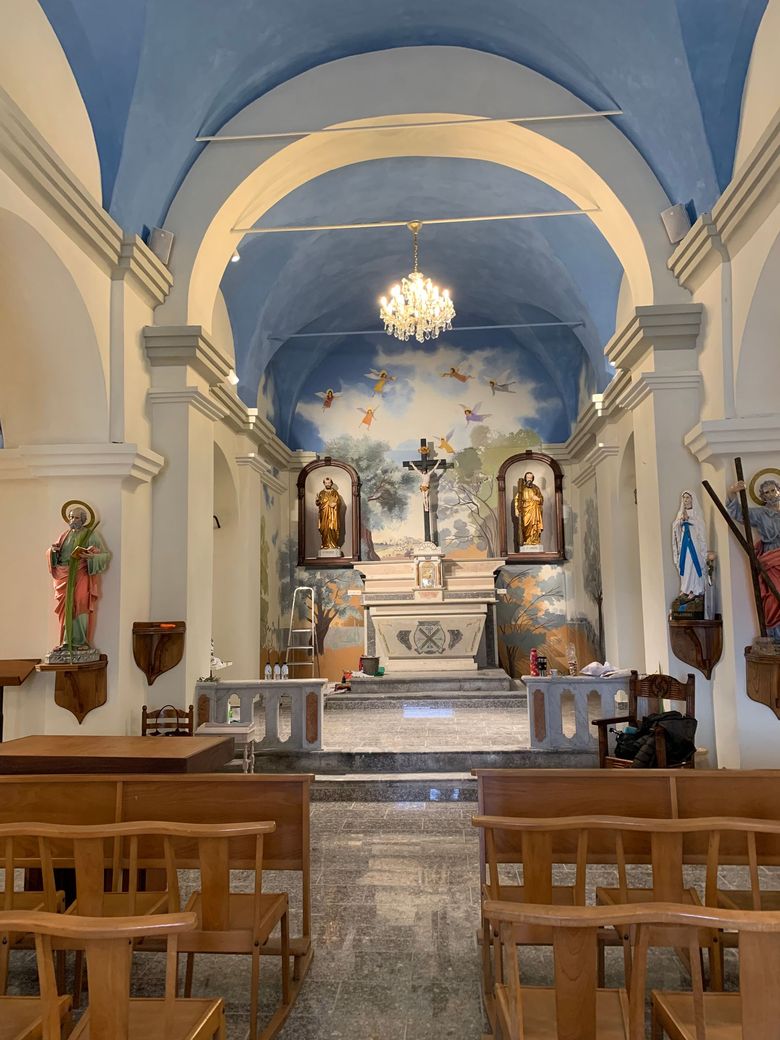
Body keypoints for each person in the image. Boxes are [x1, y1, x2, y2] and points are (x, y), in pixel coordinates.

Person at [48, 502, 111, 651]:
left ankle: (81, 641)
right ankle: (66, 642)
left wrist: (91, 557)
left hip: (81, 574)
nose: (73, 520)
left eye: (76, 517)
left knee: (80, 603)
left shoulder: (91, 535)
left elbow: (105, 555)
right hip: (64, 574)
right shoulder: (64, 535)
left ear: (83, 519)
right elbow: (53, 552)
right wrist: (53, 551)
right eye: (71, 517)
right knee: (66, 608)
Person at [727, 477, 780, 638]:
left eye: (773, 490)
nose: (771, 494)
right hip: (771, 557)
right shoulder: (761, 514)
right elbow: (739, 514)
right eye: (766, 492)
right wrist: (732, 493)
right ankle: (776, 636)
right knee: (773, 595)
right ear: (763, 497)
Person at [672, 490, 710, 598]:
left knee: (694, 563)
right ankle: (686, 588)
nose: (685, 500)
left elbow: (701, 526)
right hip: (684, 542)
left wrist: (690, 519)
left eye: (688, 497)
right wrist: (680, 520)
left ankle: (695, 589)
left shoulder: (696, 513)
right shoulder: (680, 513)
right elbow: (675, 527)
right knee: (685, 564)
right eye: (684, 498)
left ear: (692, 499)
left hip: (694, 543)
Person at [513, 471, 544, 548]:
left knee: (535, 526)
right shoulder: (522, 489)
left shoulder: (536, 488)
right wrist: (516, 510)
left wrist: (538, 499)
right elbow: (517, 499)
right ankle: (526, 540)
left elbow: (541, 499)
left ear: (533, 478)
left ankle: (534, 540)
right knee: (525, 525)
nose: (529, 479)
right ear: (525, 478)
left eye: (531, 478)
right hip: (525, 510)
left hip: (535, 510)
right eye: (528, 478)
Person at [316, 476, 344, 550]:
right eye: (326, 483)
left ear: (331, 483)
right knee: (324, 528)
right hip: (324, 514)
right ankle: (325, 544)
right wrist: (317, 501)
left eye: (329, 483)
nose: (327, 484)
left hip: (333, 515)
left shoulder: (335, 493)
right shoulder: (321, 493)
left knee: (333, 528)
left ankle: (334, 544)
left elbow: (339, 502)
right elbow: (319, 503)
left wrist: (335, 504)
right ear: (324, 484)